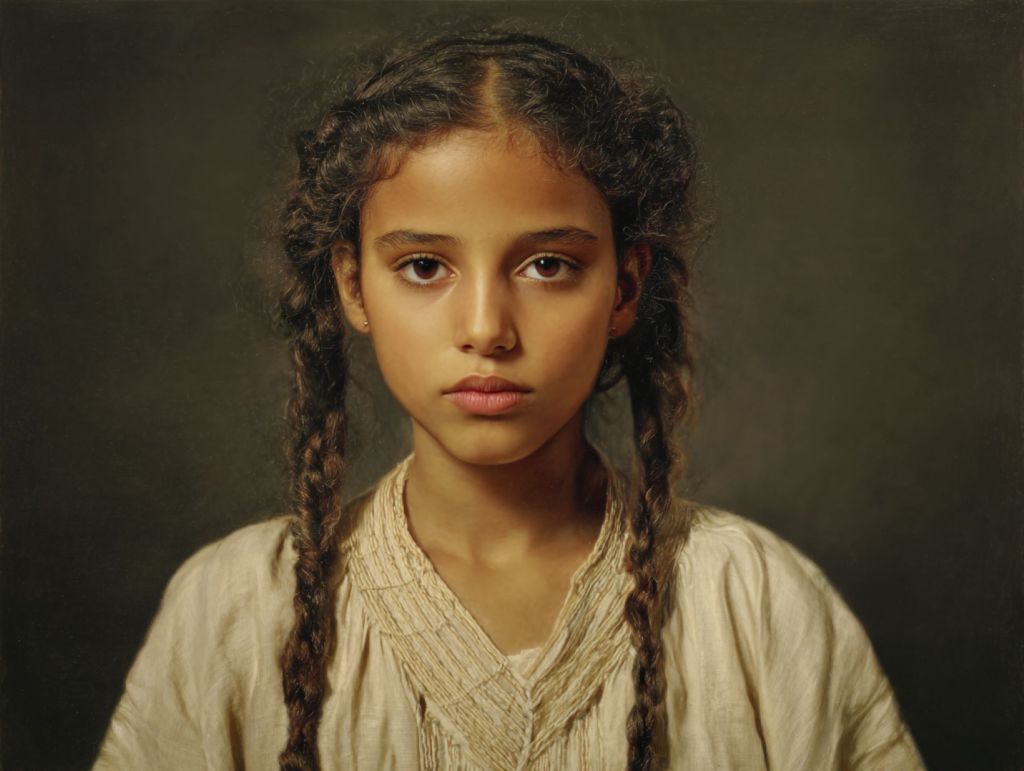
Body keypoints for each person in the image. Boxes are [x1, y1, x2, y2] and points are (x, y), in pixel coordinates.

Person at [92, 26, 926, 771]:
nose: (486, 328)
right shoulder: (236, 609)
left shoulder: (755, 604)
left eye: (548, 265)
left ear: (624, 286)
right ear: (352, 285)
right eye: (425, 266)